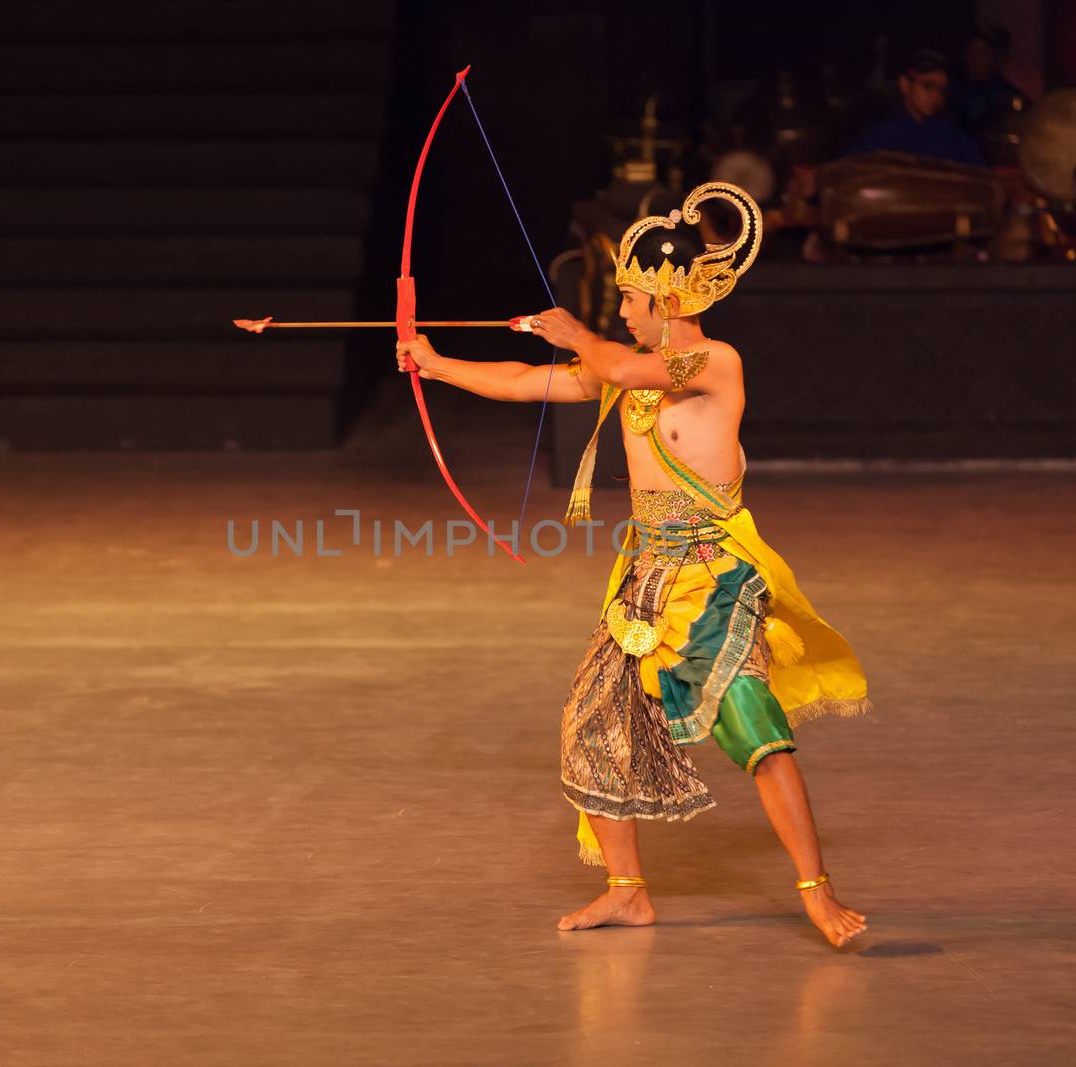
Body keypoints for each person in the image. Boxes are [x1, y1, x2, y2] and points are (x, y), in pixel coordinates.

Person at [394, 183, 873, 947]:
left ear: (665, 295)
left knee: (752, 727)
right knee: (593, 721)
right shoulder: (630, 362)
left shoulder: (714, 362)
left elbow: (617, 369)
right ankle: (627, 891)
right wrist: (435, 362)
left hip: (712, 575)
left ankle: (817, 891)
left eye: (627, 296)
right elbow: (532, 381)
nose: (619, 310)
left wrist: (577, 330)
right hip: (644, 576)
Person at [847, 47, 984, 166]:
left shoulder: (956, 138)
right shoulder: (879, 136)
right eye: (928, 86)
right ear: (905, 85)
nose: (936, 97)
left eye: (942, 90)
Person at [952, 24, 1027, 134]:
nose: (972, 60)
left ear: (998, 59)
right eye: (970, 52)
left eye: (981, 54)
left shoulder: (1010, 98)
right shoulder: (951, 91)